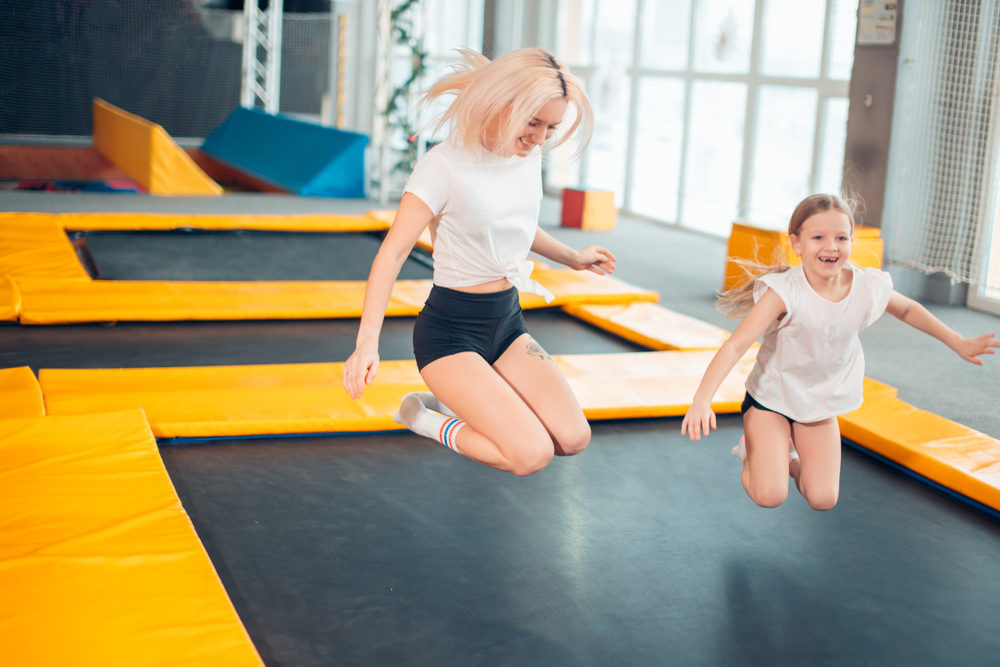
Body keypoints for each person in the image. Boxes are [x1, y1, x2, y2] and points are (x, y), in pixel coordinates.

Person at [342, 48, 616, 476]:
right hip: (449, 334)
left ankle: (467, 398)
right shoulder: (444, 166)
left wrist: (572, 257)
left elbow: (517, 227)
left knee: (572, 438)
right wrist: (366, 344)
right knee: (531, 455)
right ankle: (423, 417)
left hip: (506, 322)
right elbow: (392, 252)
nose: (540, 138)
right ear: (504, 104)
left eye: (551, 127)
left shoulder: (525, 159)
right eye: (533, 123)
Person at [681, 193, 999, 510]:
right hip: (771, 400)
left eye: (841, 237)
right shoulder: (785, 292)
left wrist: (957, 341)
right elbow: (736, 344)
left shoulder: (865, 286)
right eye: (818, 237)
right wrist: (701, 400)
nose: (831, 246)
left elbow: (908, 310)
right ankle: (752, 453)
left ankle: (787, 459)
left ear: (851, 241)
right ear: (797, 243)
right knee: (770, 495)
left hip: (820, 403)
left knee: (822, 498)